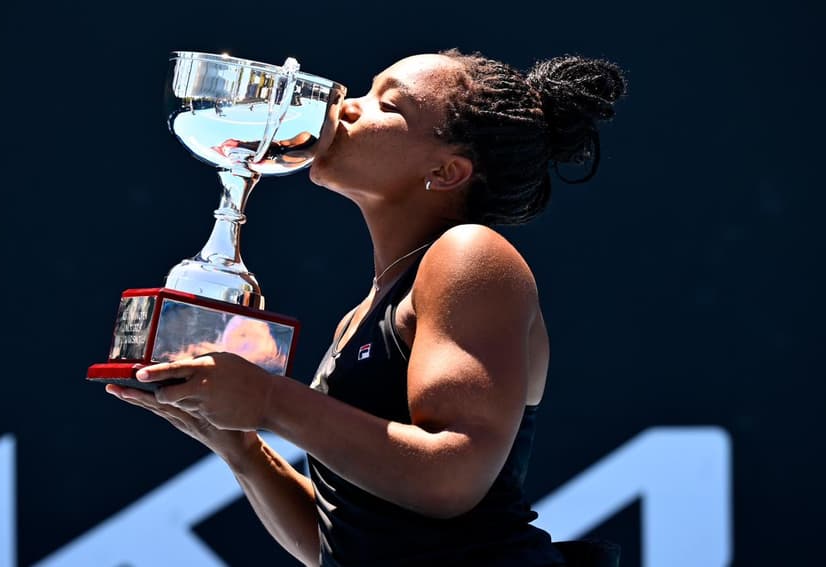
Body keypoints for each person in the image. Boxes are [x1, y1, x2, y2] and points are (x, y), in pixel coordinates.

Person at [106, 48, 627, 566]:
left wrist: (267, 399)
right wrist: (241, 448)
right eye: (364, 90)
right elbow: (338, 546)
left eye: (389, 104)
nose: (345, 105)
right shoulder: (364, 311)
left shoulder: (469, 255)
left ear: (447, 171)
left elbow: (450, 478)